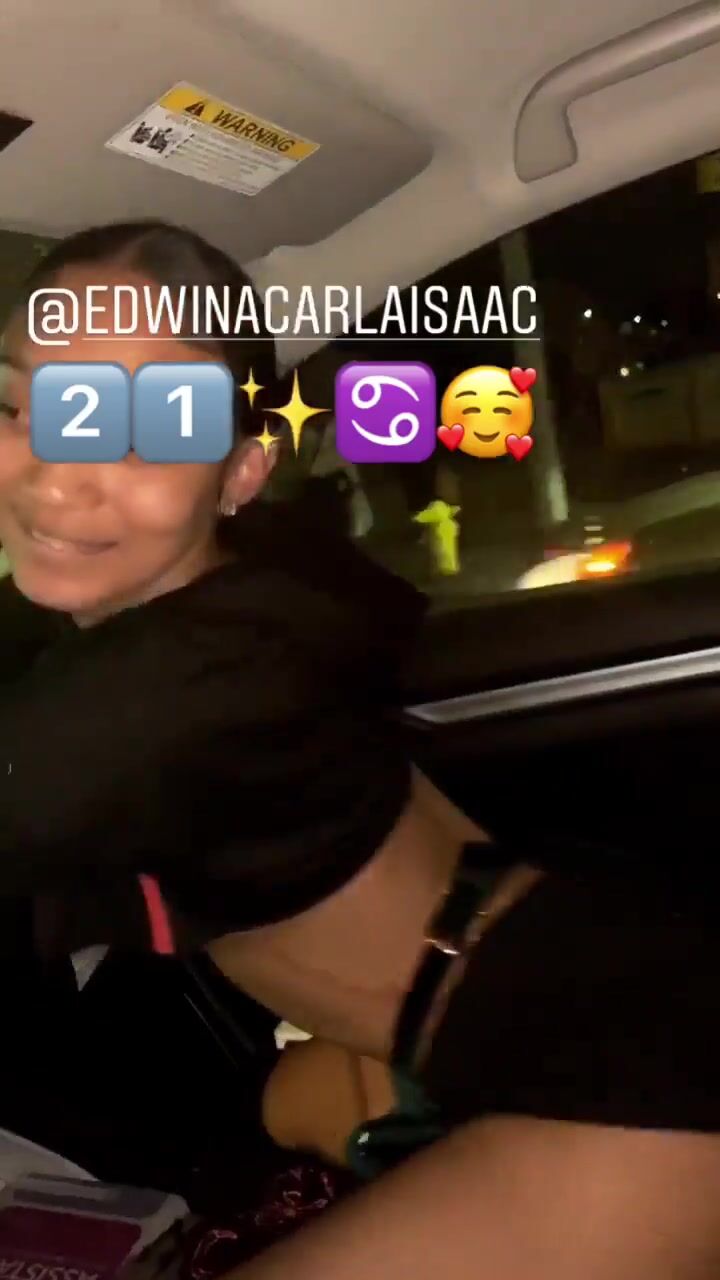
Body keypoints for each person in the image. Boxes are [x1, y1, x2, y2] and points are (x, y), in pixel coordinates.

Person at [0, 220, 719, 1279]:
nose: (60, 475)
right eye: (22, 405)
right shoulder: (264, 587)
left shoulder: (158, 691)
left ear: (241, 469)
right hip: (550, 982)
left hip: (633, 1069)